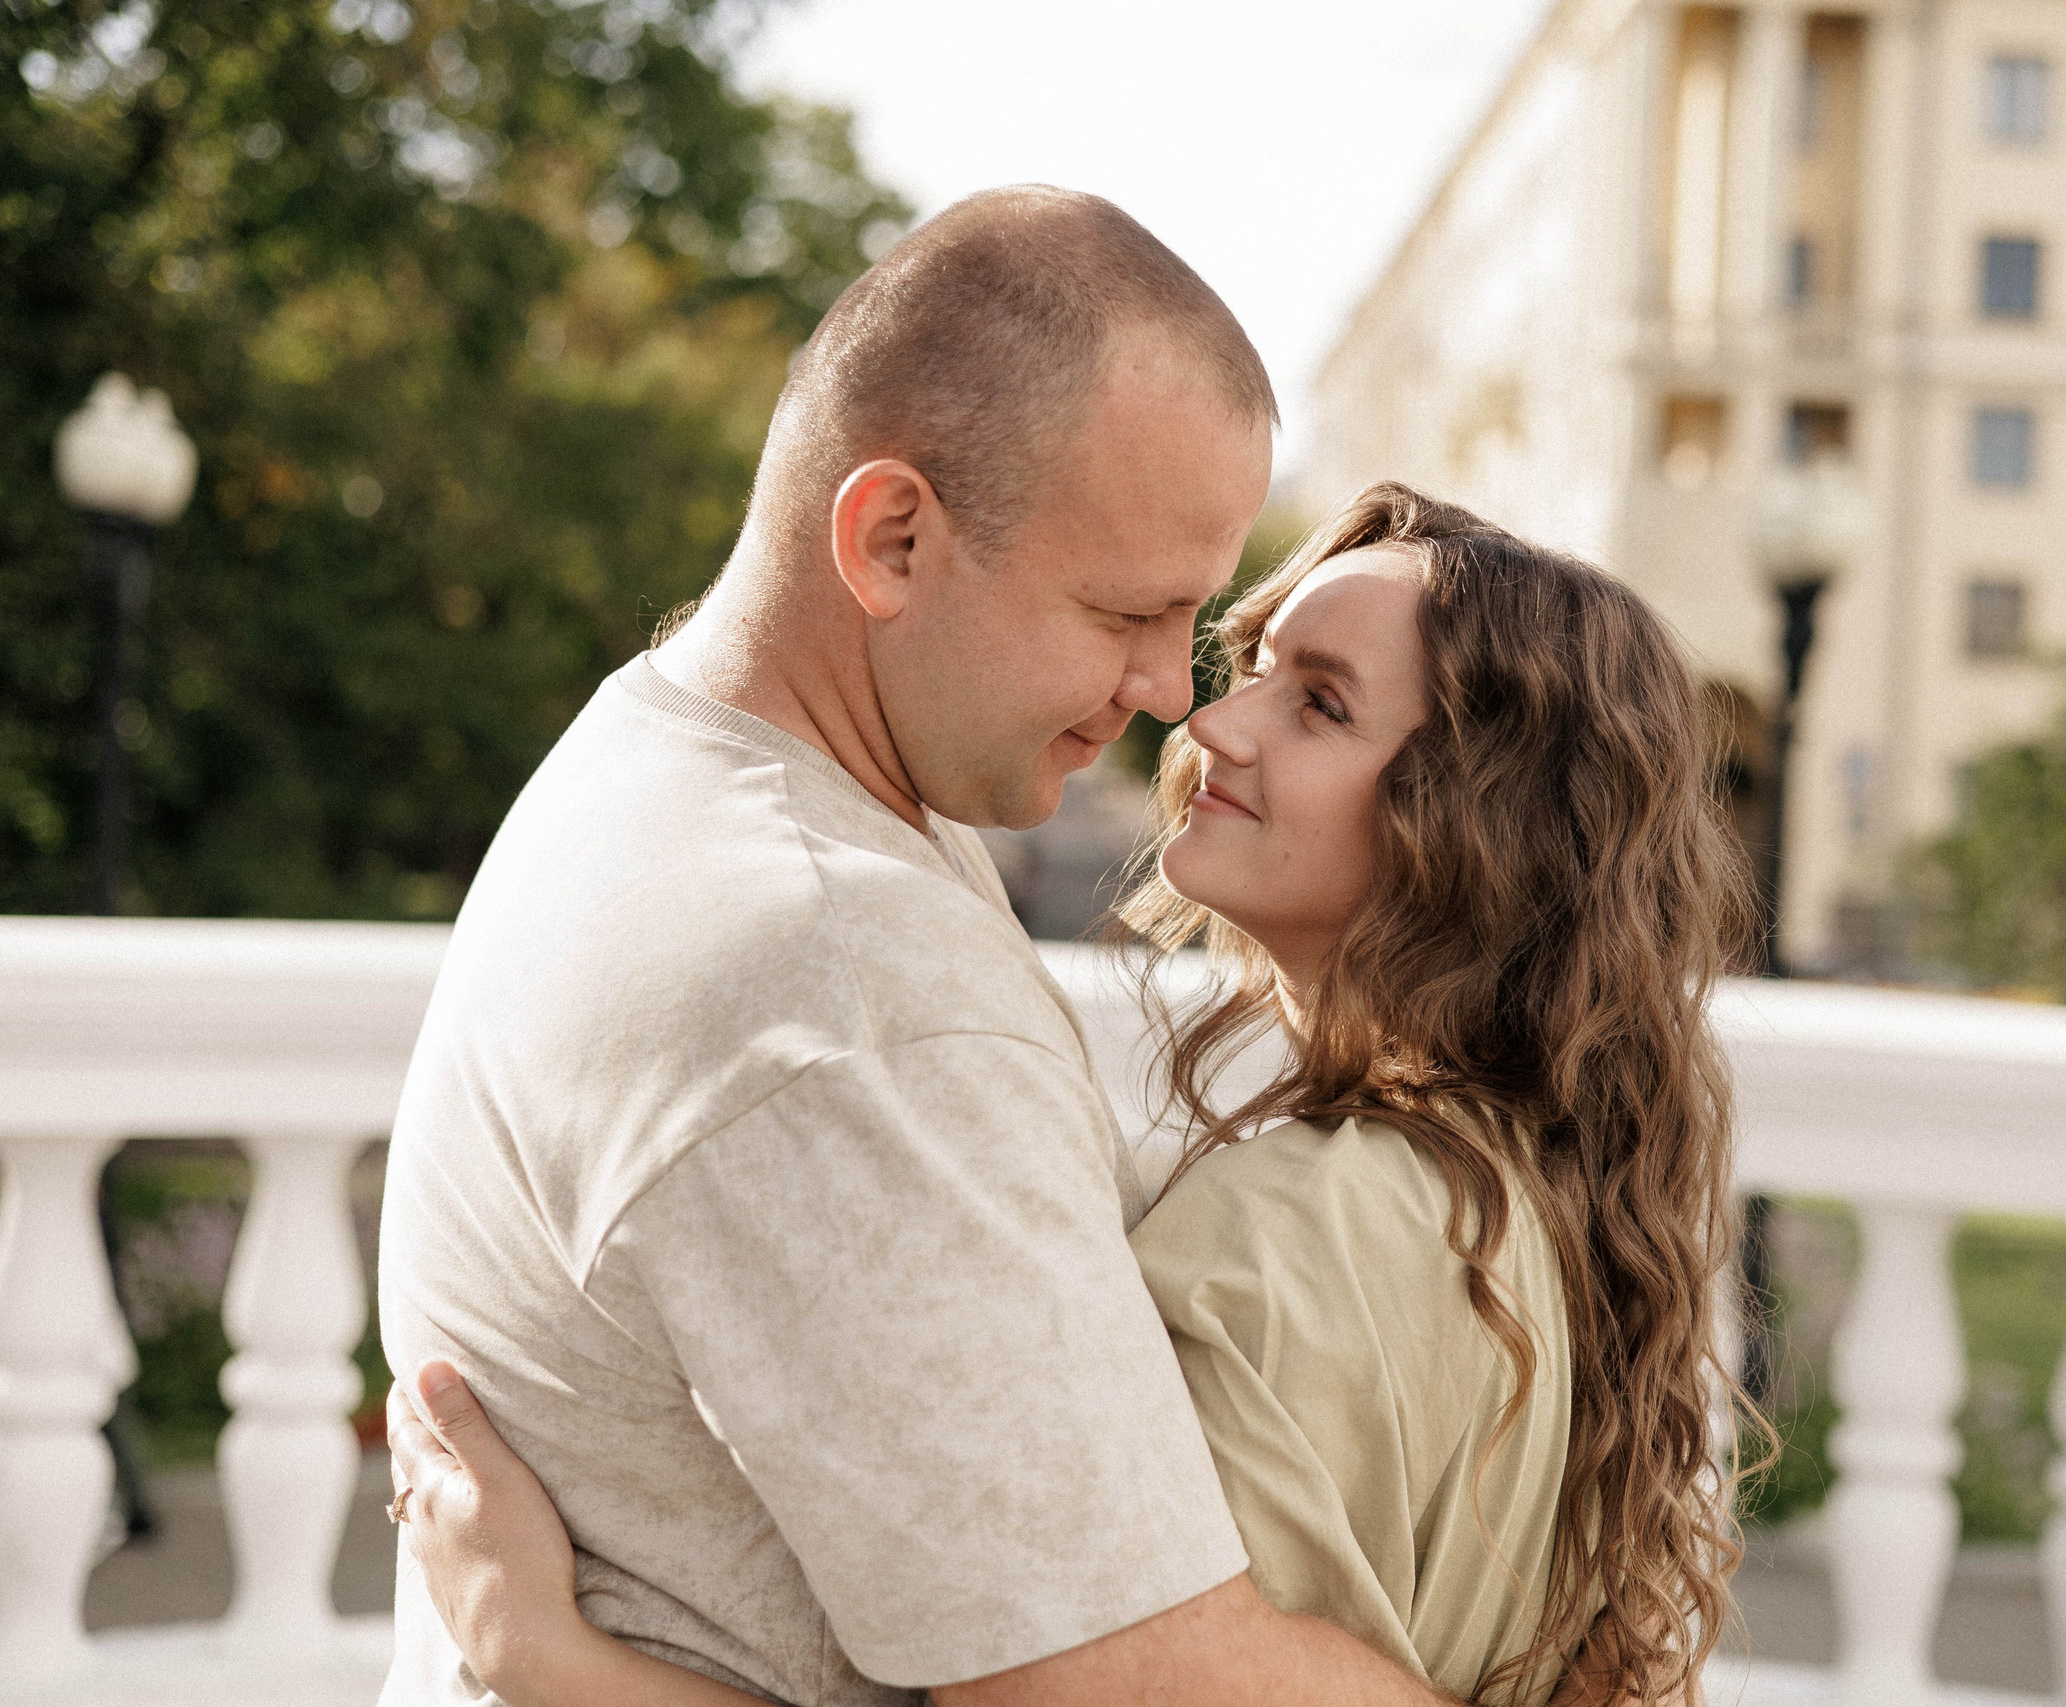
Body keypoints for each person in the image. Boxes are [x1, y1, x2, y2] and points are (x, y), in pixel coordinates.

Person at [386, 484, 1759, 1706]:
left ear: (1479, 832)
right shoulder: (1546, 1203)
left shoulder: (1292, 1233)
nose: (1211, 718)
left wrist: (552, 1663)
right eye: (1258, 666)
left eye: (1320, 704)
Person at [377, 187, 1456, 1707]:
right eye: (1127, 612)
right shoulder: (838, 971)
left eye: (1199, 616)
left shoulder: (696, 768)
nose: (1170, 691)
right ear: (892, 537)